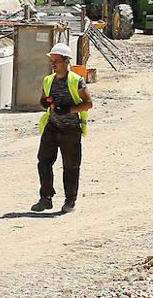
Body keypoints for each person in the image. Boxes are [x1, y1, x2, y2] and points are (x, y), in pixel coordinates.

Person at [33, 42, 92, 214]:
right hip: (52, 127)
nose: (53, 64)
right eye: (52, 61)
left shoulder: (76, 81)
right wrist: (45, 103)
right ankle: (46, 198)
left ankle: (70, 200)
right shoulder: (48, 80)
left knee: (71, 166)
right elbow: (44, 99)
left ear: (66, 61)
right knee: (43, 162)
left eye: (56, 61)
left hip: (71, 130)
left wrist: (69, 109)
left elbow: (88, 103)